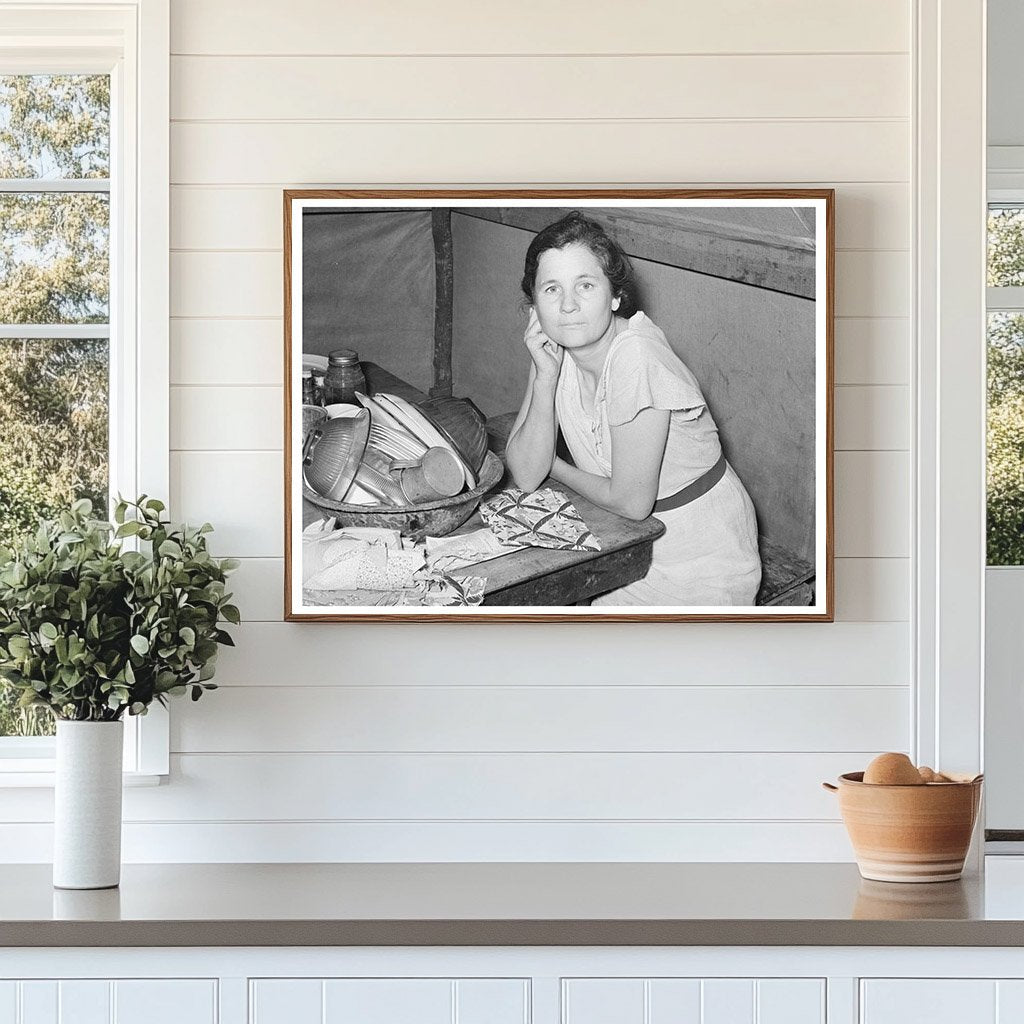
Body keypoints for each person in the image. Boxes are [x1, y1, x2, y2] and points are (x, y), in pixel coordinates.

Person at [505, 211, 762, 606]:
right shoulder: (554, 349)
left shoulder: (636, 356)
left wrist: (553, 465)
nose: (568, 305)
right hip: (626, 548)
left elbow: (631, 502)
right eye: (551, 289)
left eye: (585, 285)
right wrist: (544, 377)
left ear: (615, 297)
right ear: (534, 307)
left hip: (699, 560)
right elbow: (525, 474)